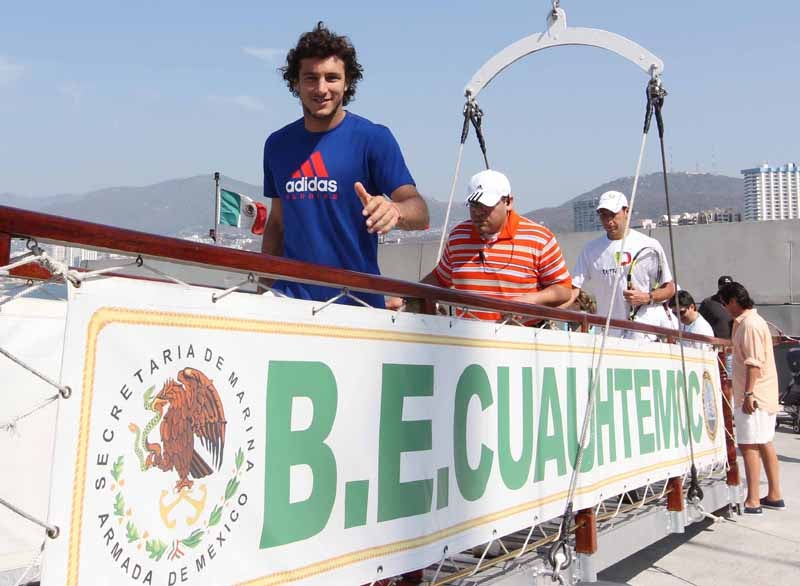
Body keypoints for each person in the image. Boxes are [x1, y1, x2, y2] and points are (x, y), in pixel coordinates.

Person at [261, 22, 429, 307]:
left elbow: (420, 212)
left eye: (332, 78)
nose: (321, 89)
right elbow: (277, 223)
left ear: (347, 82)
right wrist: (261, 290)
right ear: (295, 83)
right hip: (290, 303)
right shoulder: (277, 145)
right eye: (311, 78)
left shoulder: (373, 139)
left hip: (356, 304)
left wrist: (395, 210)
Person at [420, 169, 572, 320]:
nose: (478, 212)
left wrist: (530, 300)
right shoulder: (458, 236)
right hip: (467, 333)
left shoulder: (539, 238)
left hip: (521, 333)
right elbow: (440, 278)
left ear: (508, 202)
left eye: (486, 205)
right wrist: (410, 297)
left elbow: (564, 289)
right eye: (474, 205)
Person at [570, 190, 676, 339]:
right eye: (603, 215)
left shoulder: (649, 244)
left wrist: (647, 297)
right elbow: (574, 289)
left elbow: (669, 288)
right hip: (607, 334)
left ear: (626, 211)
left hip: (641, 333)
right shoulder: (590, 250)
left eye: (613, 214)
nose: (608, 221)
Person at [719, 281, 784, 514]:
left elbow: (754, 364)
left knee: (749, 445)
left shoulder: (750, 325)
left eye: (724, 303)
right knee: (764, 443)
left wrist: (747, 394)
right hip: (761, 394)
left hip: (753, 396)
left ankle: (753, 499)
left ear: (733, 301)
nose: (724, 308)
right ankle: (774, 494)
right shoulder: (750, 322)